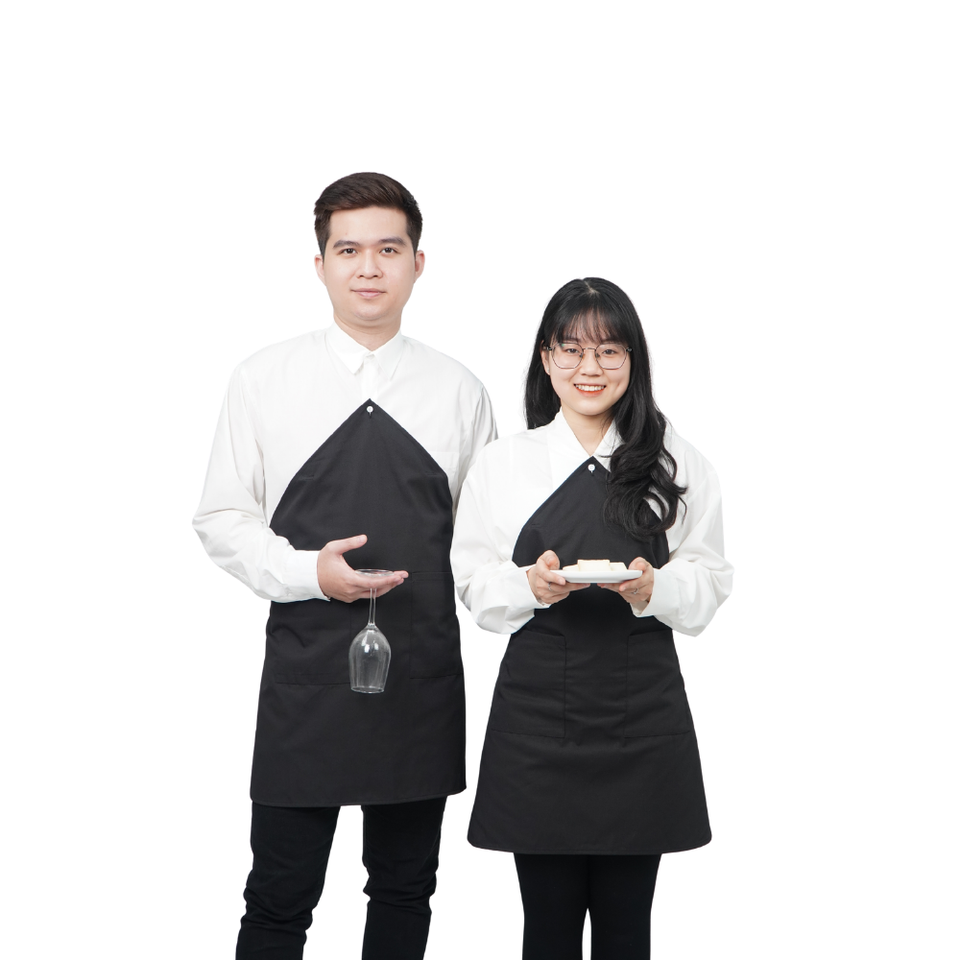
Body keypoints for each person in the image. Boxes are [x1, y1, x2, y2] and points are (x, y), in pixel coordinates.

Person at [193, 172, 496, 960]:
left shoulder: (458, 391)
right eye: (349, 250)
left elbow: (483, 543)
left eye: (388, 250)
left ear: (418, 264)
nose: (369, 268)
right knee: (279, 894)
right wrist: (308, 574)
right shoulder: (264, 379)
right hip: (306, 676)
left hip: (420, 677)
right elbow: (222, 518)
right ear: (320, 264)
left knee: (405, 886)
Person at [451, 277, 732, 960]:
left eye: (609, 350)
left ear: (633, 360)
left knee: (626, 932)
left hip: (642, 722)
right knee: (546, 932)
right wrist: (529, 585)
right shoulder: (504, 463)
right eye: (571, 349)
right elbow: (472, 581)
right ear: (546, 359)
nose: (590, 367)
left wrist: (654, 589)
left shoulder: (673, 461)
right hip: (536, 724)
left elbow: (710, 580)